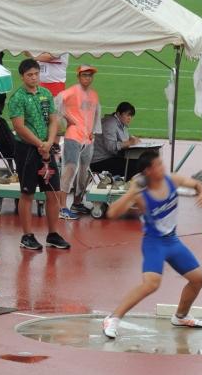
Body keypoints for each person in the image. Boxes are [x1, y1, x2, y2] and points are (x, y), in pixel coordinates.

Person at [103, 150, 202, 339]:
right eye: (158, 165)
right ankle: (113, 318)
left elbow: (196, 184)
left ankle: (181, 316)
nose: (163, 167)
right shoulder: (140, 194)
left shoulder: (172, 180)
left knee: (198, 279)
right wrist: (131, 192)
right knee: (151, 284)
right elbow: (112, 213)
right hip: (154, 243)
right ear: (148, 171)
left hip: (172, 241)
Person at [8, 59, 70, 251]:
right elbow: (19, 127)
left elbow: (53, 120)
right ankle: (27, 236)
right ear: (22, 77)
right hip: (27, 150)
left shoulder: (46, 94)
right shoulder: (17, 98)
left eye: (36, 74)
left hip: (46, 148)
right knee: (27, 193)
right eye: (29, 75)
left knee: (53, 191)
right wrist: (39, 144)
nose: (34, 78)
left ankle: (53, 234)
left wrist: (49, 142)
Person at [55, 65, 101, 220]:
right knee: (69, 170)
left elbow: (96, 113)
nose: (88, 78)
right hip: (73, 136)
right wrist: (66, 119)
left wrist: (93, 131)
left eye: (90, 75)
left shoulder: (94, 95)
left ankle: (77, 202)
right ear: (79, 77)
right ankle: (62, 207)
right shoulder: (72, 91)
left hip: (87, 138)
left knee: (83, 172)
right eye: (85, 75)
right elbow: (56, 102)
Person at [90, 102, 142, 179]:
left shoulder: (121, 123)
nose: (129, 118)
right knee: (135, 165)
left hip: (110, 158)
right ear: (118, 113)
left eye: (131, 116)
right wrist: (129, 143)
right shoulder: (110, 123)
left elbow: (126, 138)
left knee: (138, 162)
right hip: (100, 161)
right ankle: (127, 185)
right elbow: (111, 147)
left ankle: (127, 184)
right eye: (127, 115)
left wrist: (131, 139)